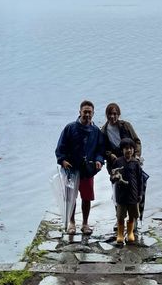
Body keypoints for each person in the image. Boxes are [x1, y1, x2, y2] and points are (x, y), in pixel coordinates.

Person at [55, 100, 105, 235]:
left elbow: (100, 150)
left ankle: (85, 223)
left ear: (93, 113)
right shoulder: (70, 128)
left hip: (87, 171)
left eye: (90, 112)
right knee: (71, 198)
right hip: (71, 170)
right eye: (85, 112)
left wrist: (99, 161)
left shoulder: (96, 131)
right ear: (80, 112)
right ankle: (71, 222)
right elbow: (60, 148)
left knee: (87, 198)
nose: (87, 115)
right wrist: (63, 161)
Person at [110, 138, 143, 246]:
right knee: (120, 216)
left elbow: (140, 180)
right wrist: (114, 178)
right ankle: (120, 234)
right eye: (125, 148)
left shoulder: (136, 163)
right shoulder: (118, 162)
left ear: (133, 150)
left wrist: (140, 194)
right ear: (122, 150)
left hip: (133, 194)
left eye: (130, 148)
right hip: (121, 195)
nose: (128, 150)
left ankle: (130, 233)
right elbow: (112, 177)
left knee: (133, 215)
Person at [101, 102, 142, 170]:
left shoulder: (126, 125)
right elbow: (103, 149)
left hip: (131, 160)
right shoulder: (103, 131)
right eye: (110, 114)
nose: (112, 116)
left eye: (114, 114)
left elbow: (137, 141)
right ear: (106, 115)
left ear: (118, 114)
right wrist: (110, 155)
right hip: (115, 164)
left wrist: (137, 156)